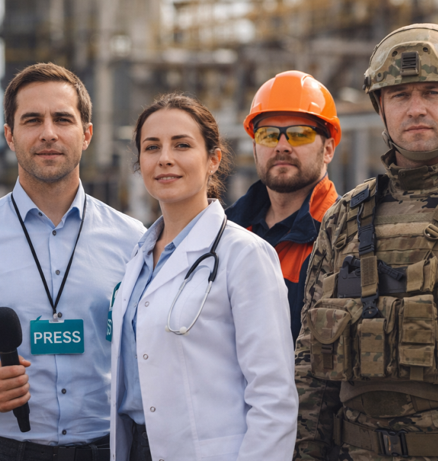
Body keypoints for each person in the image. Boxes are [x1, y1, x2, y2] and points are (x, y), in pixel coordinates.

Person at [294, 23, 438, 460]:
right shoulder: (344, 219)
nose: (416, 108)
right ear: (380, 108)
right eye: (400, 96)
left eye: (433, 93)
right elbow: (311, 369)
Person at [0, 63, 145, 461]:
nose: (48, 133)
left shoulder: (133, 239)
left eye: (63, 119)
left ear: (86, 133)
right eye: (32, 120)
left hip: (106, 448)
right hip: (0, 449)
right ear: (10, 135)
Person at [108, 93, 298, 461]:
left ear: (213, 160)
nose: (165, 158)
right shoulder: (138, 256)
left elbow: (273, 398)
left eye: (182, 145)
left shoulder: (244, 255)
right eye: (152, 147)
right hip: (136, 448)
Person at [225, 71, 340, 341]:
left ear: (328, 150)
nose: (282, 146)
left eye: (299, 135)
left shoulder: (347, 235)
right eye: (268, 135)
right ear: (254, 148)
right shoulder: (225, 231)